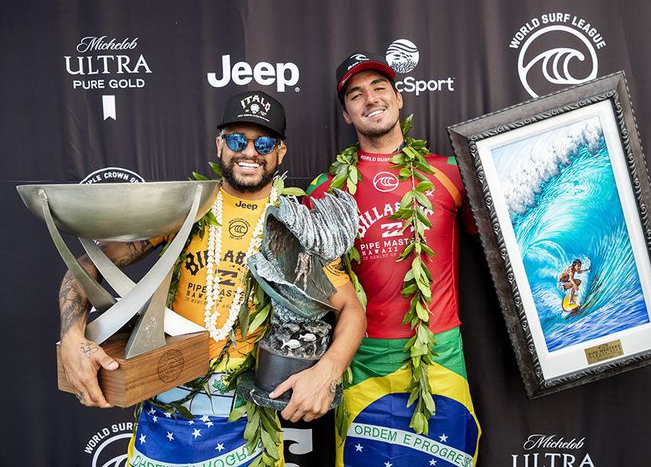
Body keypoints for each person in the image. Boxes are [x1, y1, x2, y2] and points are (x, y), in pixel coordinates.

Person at [58, 90, 366, 466]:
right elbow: (87, 268)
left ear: (280, 153)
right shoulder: (180, 210)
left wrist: (328, 371)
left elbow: (351, 308)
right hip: (161, 415)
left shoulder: (296, 225)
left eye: (264, 142)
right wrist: (72, 337)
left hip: (244, 427)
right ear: (220, 144)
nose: (249, 152)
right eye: (238, 139)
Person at [307, 52, 481, 466]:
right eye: (356, 95)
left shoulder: (451, 173)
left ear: (399, 98)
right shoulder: (325, 192)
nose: (370, 99)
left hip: (440, 353)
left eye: (379, 88)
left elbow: (510, 244)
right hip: (363, 357)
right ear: (347, 116)